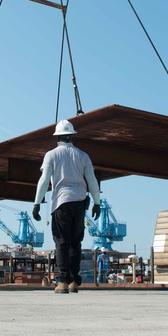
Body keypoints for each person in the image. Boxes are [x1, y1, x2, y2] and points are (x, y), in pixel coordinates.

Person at [32, 119, 101, 294]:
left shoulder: (51, 155)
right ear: (72, 136)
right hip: (79, 202)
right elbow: (92, 181)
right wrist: (97, 203)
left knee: (61, 243)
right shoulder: (83, 156)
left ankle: (62, 282)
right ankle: (74, 282)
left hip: (61, 203)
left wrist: (37, 203)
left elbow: (44, 180)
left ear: (57, 138)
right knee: (75, 242)